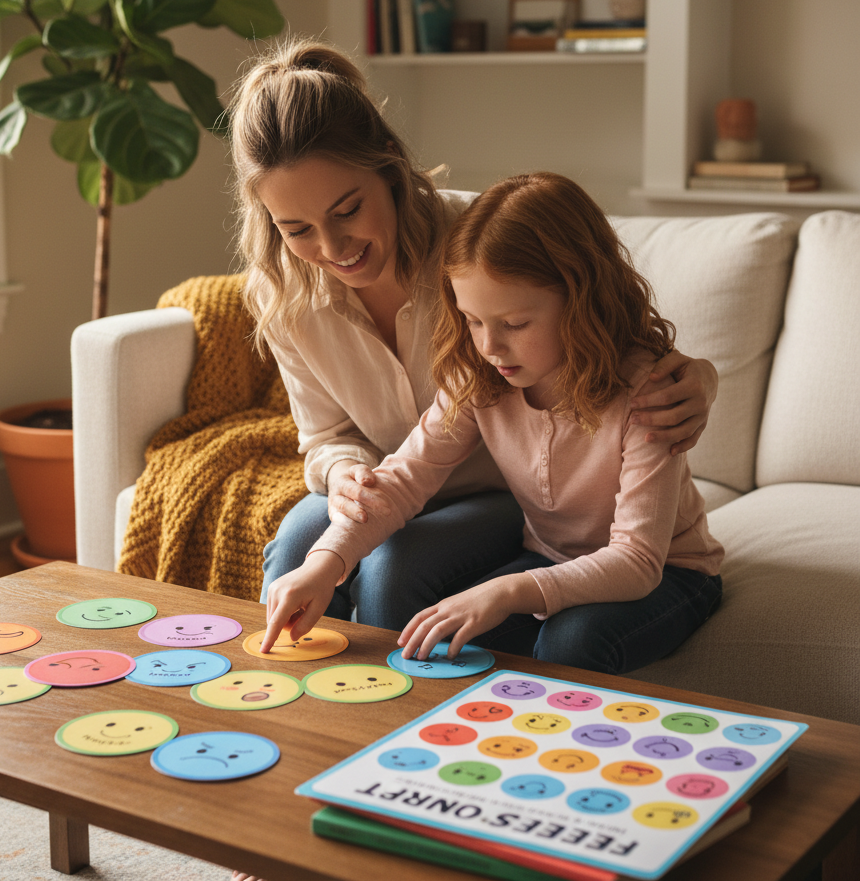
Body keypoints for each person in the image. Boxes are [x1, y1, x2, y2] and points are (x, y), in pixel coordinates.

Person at [230, 38, 718, 636]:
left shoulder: (479, 245)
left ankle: (404, 718)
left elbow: (605, 328)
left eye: (348, 210)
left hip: (502, 494)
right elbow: (335, 440)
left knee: (389, 571)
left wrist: (698, 376)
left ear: (389, 164)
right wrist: (345, 476)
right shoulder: (281, 292)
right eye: (296, 228)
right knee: (297, 552)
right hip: (396, 480)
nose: (331, 250)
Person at [260, 172, 724, 673]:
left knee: (570, 643)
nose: (489, 346)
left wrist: (506, 591)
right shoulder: (480, 376)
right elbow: (403, 479)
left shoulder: (647, 393)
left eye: (514, 324)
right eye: (473, 321)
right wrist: (324, 564)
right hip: (549, 559)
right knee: (431, 637)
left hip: (670, 574)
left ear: (581, 297)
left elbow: (637, 562)